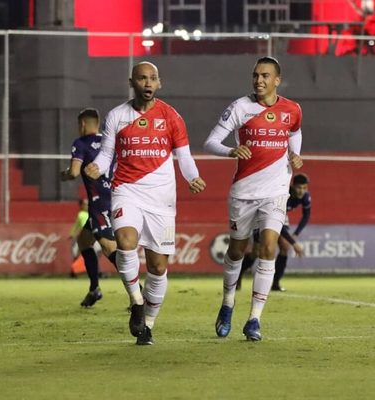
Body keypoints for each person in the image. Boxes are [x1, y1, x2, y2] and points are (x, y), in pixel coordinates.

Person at [84, 62, 206, 345]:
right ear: (132, 82)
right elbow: (106, 155)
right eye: (142, 78)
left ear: (159, 83)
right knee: (125, 242)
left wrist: (193, 177)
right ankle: (136, 301)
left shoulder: (172, 117)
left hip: (162, 198)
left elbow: (184, 156)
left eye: (152, 78)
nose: (147, 82)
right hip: (127, 190)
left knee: (158, 267)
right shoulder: (117, 116)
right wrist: (97, 168)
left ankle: (148, 325)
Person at [204, 56, 303, 341]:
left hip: (275, 192)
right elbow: (211, 142)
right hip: (244, 192)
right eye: (256, 75)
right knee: (237, 251)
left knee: (269, 247)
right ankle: (227, 304)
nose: (259, 80)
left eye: (265, 76)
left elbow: (295, 133)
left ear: (277, 80)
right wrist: (230, 151)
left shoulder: (292, 109)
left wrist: (295, 155)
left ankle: (254, 320)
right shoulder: (240, 107)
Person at [61, 108, 118, 308]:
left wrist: (65, 174)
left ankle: (139, 293)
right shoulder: (110, 142)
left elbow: (75, 172)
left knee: (109, 247)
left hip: (98, 202)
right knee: (84, 241)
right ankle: (94, 289)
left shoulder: (81, 143)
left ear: (83, 124)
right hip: (116, 196)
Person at [237, 173, 310, 291]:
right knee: (256, 252)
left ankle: (275, 283)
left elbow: (306, 216)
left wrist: (295, 234)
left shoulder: (305, 196)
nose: (302, 191)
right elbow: (278, 226)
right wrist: (294, 243)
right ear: (293, 186)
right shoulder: (284, 196)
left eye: (304, 188)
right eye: (299, 187)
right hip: (262, 215)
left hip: (280, 216)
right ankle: (238, 275)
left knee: (284, 248)